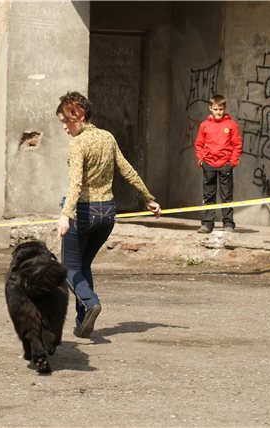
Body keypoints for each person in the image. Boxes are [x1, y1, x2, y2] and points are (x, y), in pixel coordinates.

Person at [56, 91, 161, 338]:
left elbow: (75, 184)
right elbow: (127, 170)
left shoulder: (77, 144)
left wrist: (65, 214)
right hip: (107, 215)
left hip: (83, 213)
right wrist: (148, 198)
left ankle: (90, 303)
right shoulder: (107, 137)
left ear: (78, 115)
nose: (64, 127)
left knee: (67, 268)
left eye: (65, 121)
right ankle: (83, 323)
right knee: (83, 265)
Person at [194, 95, 243, 233]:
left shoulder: (231, 125)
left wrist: (232, 162)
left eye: (221, 109)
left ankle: (228, 224)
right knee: (208, 195)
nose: (218, 112)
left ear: (224, 108)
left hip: (225, 165)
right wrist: (201, 160)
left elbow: (237, 145)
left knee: (226, 195)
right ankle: (207, 224)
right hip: (208, 164)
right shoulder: (204, 125)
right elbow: (199, 144)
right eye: (215, 109)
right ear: (210, 108)